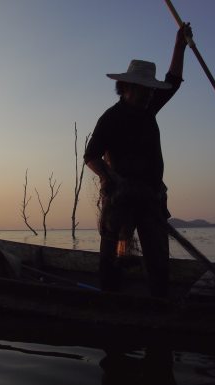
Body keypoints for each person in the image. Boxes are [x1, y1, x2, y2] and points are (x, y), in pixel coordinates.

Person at [84, 24, 192, 297]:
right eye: (144, 90)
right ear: (127, 88)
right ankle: (110, 300)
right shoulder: (110, 118)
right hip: (120, 198)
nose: (150, 94)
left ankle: (159, 302)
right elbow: (91, 156)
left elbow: (173, 81)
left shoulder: (149, 107)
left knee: (157, 255)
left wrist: (180, 45)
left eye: (151, 90)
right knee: (112, 257)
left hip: (151, 196)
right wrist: (108, 177)